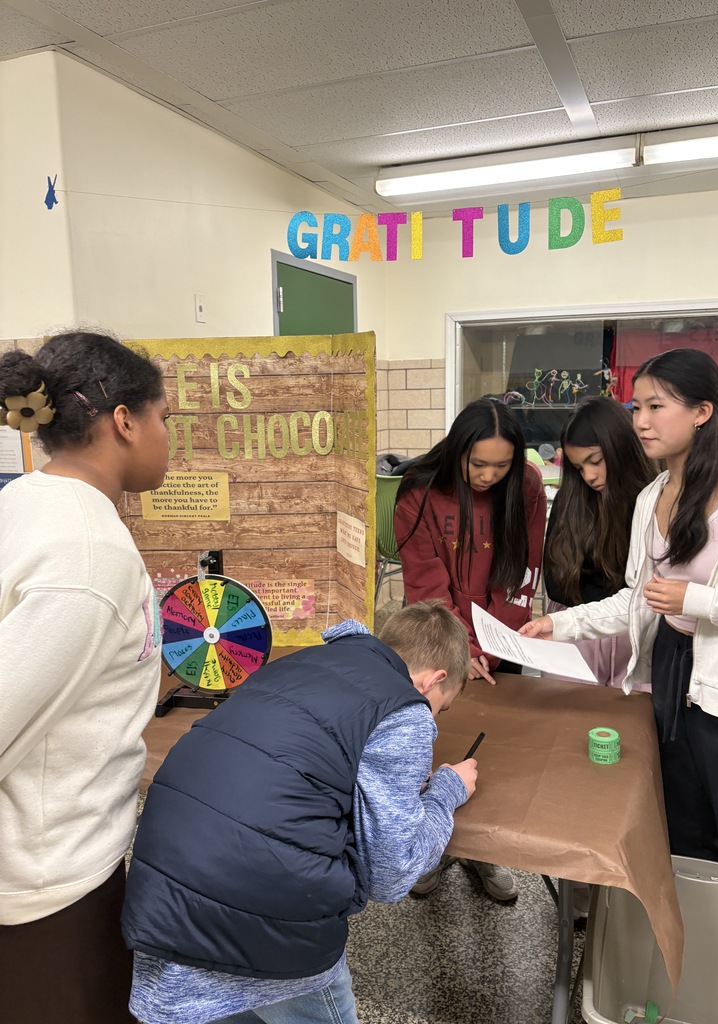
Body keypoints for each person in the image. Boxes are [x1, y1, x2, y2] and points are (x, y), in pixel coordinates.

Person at [122, 601, 476, 1024]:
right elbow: (392, 875)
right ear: (433, 680)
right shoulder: (405, 711)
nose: (433, 717)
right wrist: (446, 791)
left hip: (162, 892)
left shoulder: (299, 662)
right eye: (442, 706)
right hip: (266, 916)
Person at [521, 348, 718, 873]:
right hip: (670, 667)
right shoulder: (652, 495)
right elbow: (636, 600)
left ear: (703, 412)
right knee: (680, 823)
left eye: (656, 407)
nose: (642, 422)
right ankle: (686, 941)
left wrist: (696, 600)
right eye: (636, 408)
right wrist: (558, 623)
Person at [0, 331, 170, 1023]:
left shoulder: (25, 501)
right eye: (165, 418)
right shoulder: (88, 557)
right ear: (125, 422)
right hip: (47, 886)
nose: (168, 436)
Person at [394, 396, 546, 900]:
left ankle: (485, 854)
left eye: (501, 466)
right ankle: (434, 848)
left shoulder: (524, 487)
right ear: (458, 451)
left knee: (495, 751)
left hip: (504, 643)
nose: (488, 476)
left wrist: (496, 646)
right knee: (437, 744)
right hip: (443, 643)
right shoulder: (419, 489)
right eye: (477, 464)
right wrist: (463, 648)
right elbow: (425, 583)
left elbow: (523, 572)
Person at [544, 397, 656, 688]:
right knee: (564, 723)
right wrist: (613, 599)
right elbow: (556, 582)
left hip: (634, 635)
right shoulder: (570, 501)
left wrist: (611, 601)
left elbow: (647, 591)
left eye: (595, 461)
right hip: (572, 632)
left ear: (621, 447)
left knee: (631, 724)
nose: (589, 476)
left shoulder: (654, 500)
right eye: (579, 467)